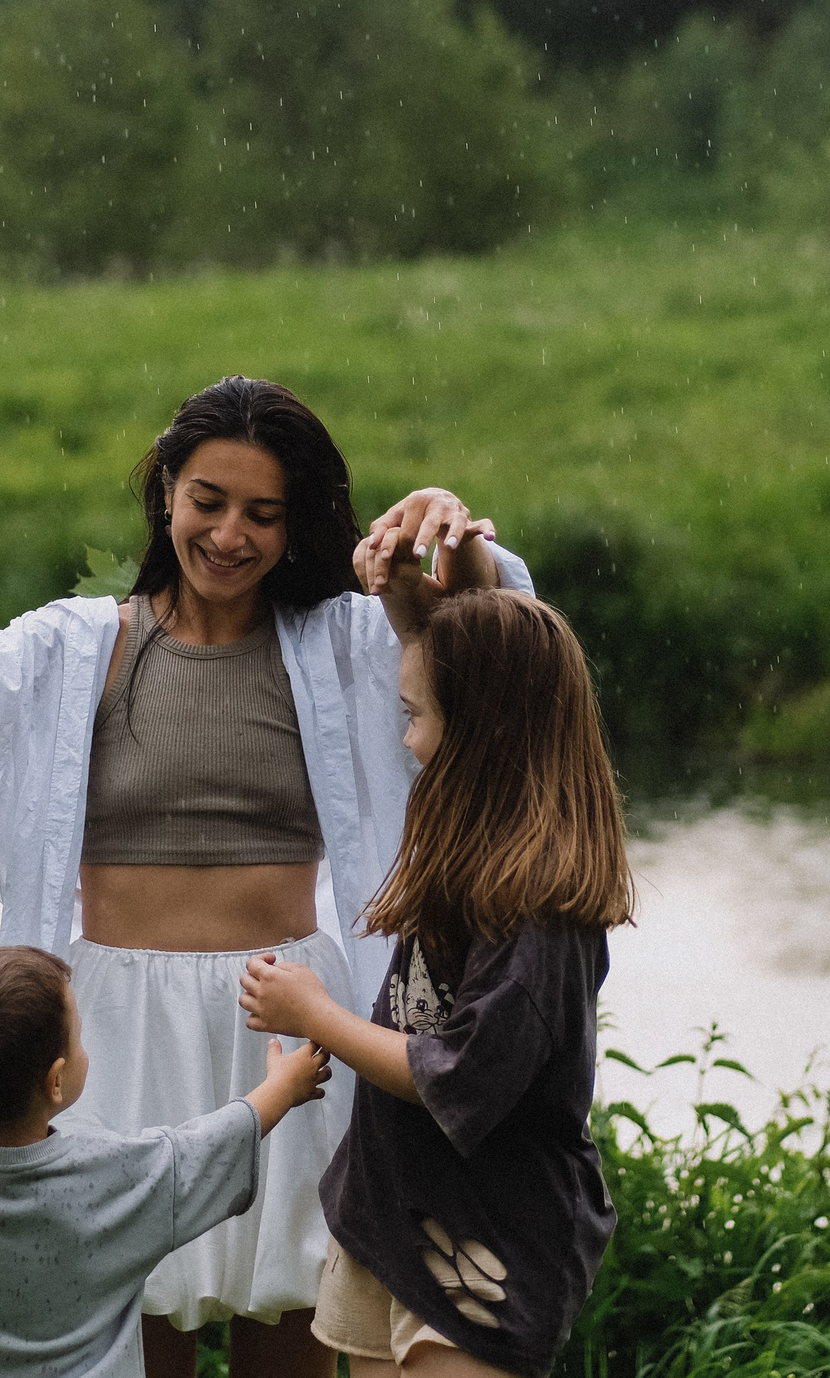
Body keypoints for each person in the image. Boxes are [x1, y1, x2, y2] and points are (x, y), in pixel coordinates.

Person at [0, 375, 532, 1378]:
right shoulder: (83, 645)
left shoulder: (341, 640)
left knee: (293, 1320)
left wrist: (451, 541)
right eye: (208, 500)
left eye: (264, 514)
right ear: (166, 491)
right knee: (133, 1322)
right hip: (111, 1019)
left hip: (287, 1014)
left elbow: (499, 637)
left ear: (298, 528)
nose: (230, 535)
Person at [237, 559, 635, 1378]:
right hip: (393, 1216)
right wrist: (401, 592)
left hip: (487, 1235)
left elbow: (452, 1073)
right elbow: (415, 1014)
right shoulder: (472, 855)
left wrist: (318, 1016)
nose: (408, 738)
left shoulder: (539, 915)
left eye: (416, 716)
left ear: (483, 733)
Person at [0, 836, 336, 1378]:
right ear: (54, 1081)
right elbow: (216, 1141)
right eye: (78, 1037)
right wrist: (289, 1082)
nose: (85, 1046)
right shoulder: (108, 1178)